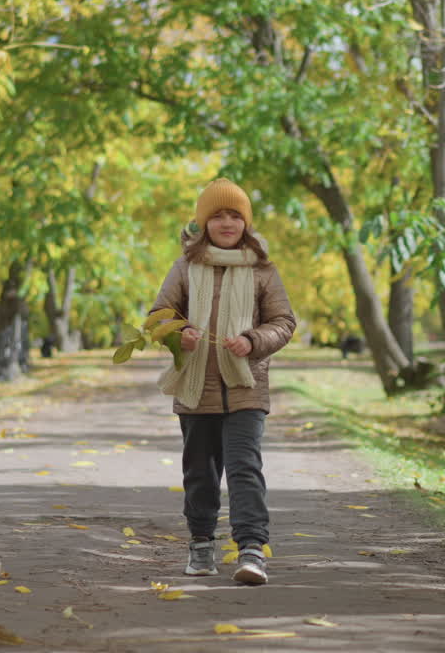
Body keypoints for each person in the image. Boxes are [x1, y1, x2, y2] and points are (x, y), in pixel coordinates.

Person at [149, 178, 296, 585]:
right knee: (200, 472)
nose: (227, 222)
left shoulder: (263, 269)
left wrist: (252, 340)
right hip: (196, 390)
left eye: (235, 215)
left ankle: (251, 550)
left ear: (245, 223)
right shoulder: (185, 266)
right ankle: (200, 545)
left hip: (247, 386)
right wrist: (181, 335)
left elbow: (284, 322)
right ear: (204, 222)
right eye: (217, 215)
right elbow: (160, 316)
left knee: (245, 468)